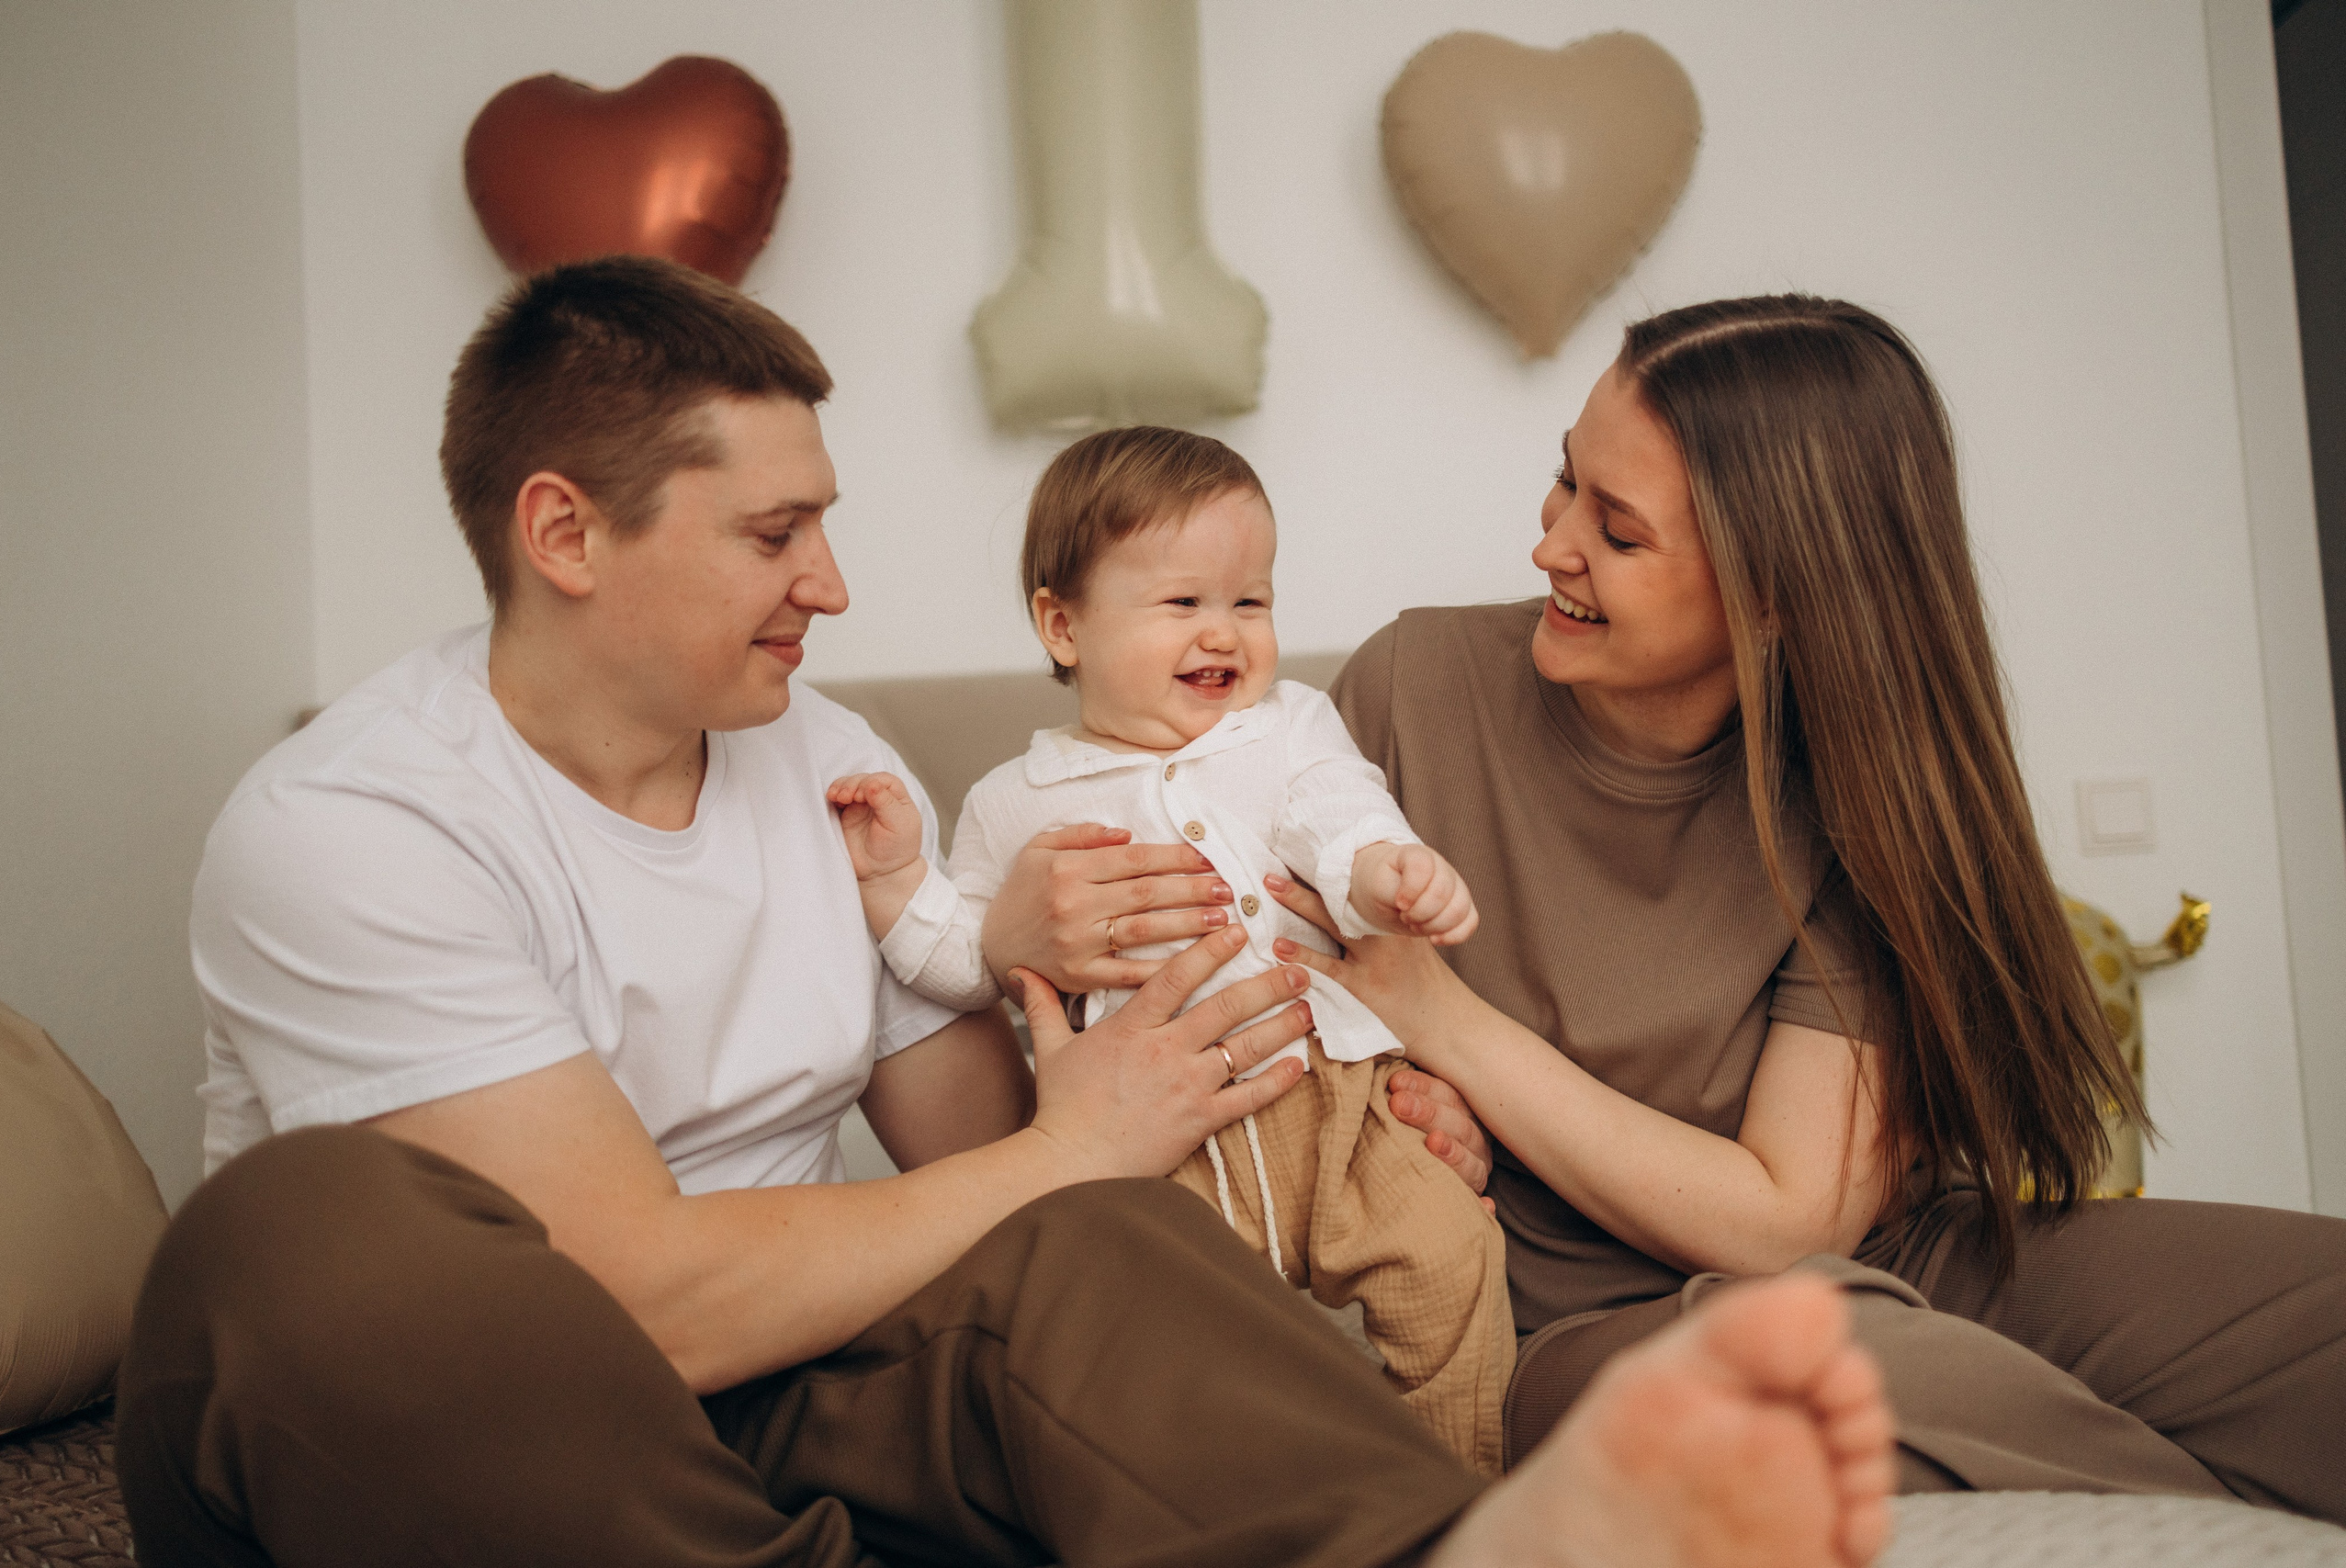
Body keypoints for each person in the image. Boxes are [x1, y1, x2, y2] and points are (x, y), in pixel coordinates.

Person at [115, 257, 1900, 1568]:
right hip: (468, 1430)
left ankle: (1438, 1549)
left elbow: (996, 1153)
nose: (830, 582)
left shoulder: (813, 756)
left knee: (1102, 1245)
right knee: (297, 1229)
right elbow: (639, 1306)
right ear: (566, 534)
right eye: (773, 535)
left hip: (783, 1380)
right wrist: (1070, 1147)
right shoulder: (361, 822)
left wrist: (1051, 976)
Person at [1253, 293, 2344, 1517]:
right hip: (1590, 1325)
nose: (1549, 544)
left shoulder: (1858, 786)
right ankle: (2223, 1523)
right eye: (1565, 485)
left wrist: (1451, 1026)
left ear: (1777, 594)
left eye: (1616, 530)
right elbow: (1275, 1000)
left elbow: (1790, 1214)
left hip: (1910, 1260)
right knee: (1821, 1365)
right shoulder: (1415, 688)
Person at [826, 424, 1508, 1471]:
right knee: (1173, 1354)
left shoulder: (1286, 728)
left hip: (1335, 1091)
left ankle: (1454, 1501)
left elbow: (1341, 815)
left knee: (1451, 1258)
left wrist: (1385, 873)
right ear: (1063, 626)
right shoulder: (1016, 802)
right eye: (1183, 603)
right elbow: (963, 964)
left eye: (1252, 601)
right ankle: (1260, 1511)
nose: (1225, 632)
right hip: (1156, 1134)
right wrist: (889, 885)